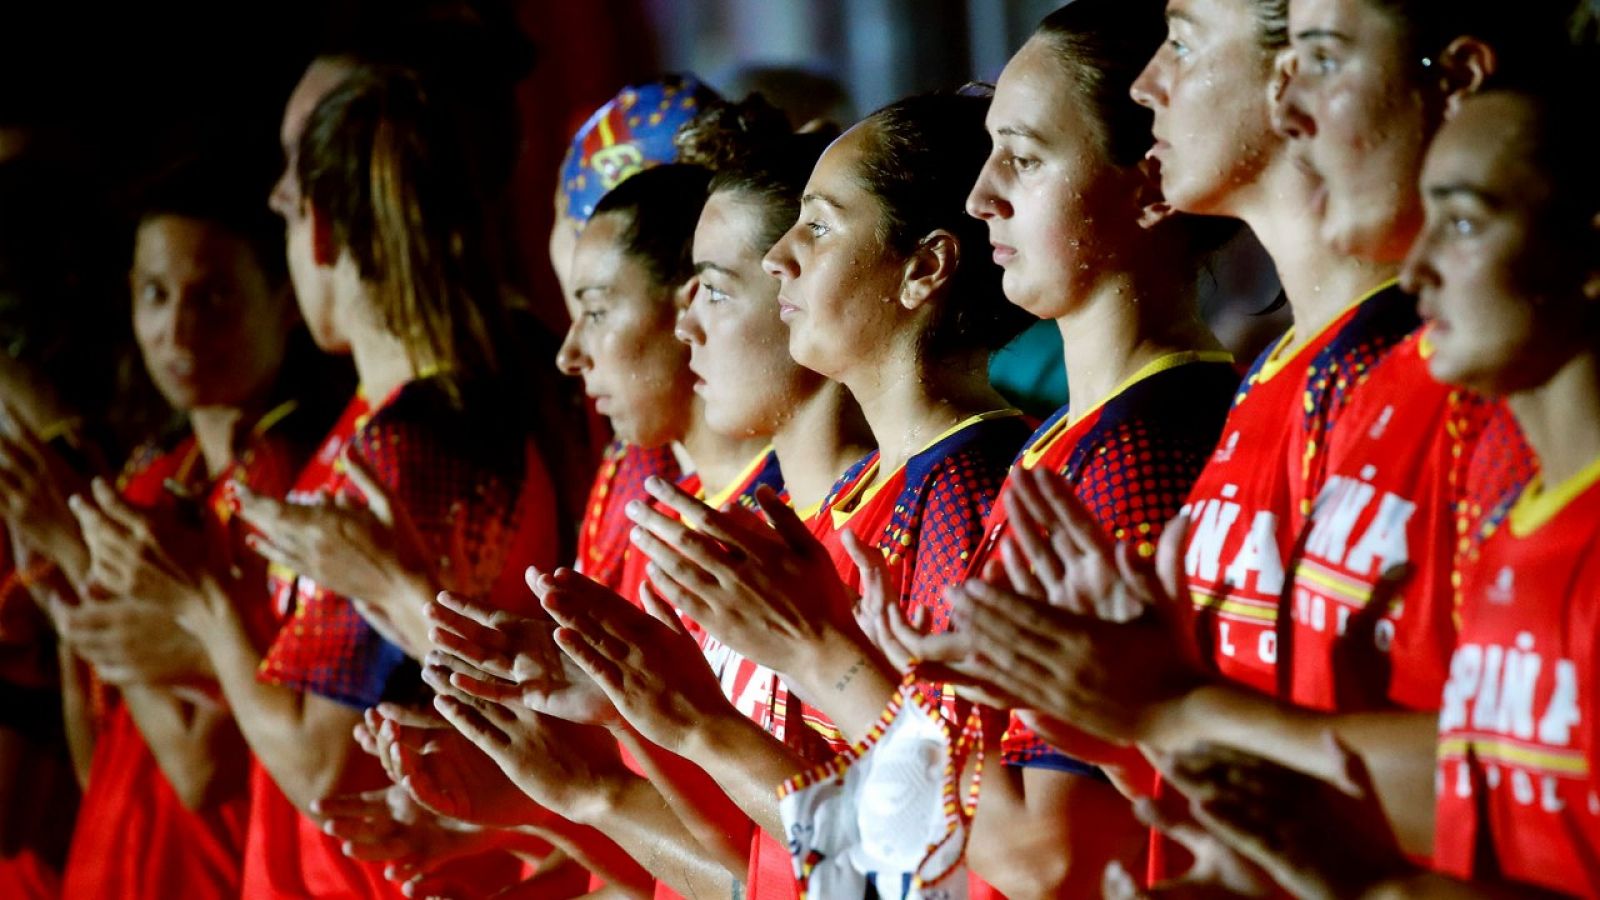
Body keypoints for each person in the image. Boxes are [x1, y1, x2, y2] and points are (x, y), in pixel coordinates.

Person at [99, 67, 559, 897]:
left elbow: (321, 768)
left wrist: (201, 605)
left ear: (317, 234)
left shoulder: (417, 447)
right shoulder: (402, 419)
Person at [1156, 64, 1600, 899]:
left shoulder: (1492, 457)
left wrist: (1171, 707)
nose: (1424, 265)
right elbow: (1488, 808)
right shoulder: (1508, 511)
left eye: (1463, 223)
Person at [52, 157, 330, 899]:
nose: (178, 329)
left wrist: (78, 563)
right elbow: (99, 753)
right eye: (155, 294)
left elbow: (202, 770)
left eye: (213, 298)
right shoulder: (153, 475)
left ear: (285, 300)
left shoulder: (283, 489)